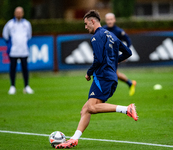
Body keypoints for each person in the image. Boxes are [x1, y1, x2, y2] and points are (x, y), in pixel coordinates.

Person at [55, 10, 138, 149]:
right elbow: (128, 52)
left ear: (92, 21)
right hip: (109, 77)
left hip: (103, 77)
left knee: (92, 107)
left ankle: (126, 109)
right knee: (85, 109)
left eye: (86, 24)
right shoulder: (111, 35)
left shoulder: (96, 37)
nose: (85, 27)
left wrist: (89, 72)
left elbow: (98, 59)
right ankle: (74, 139)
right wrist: (113, 61)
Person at [103, 13, 136, 96]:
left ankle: (105, 92)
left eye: (111, 19)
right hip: (104, 56)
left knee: (111, 73)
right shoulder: (102, 30)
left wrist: (125, 54)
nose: (110, 21)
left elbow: (128, 41)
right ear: (106, 20)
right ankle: (130, 83)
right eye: (108, 19)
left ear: (114, 20)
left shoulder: (119, 31)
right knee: (115, 74)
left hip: (114, 57)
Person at [2, 6, 34, 95]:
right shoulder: (10, 24)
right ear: (14, 13)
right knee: (13, 68)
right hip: (13, 51)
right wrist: (11, 45)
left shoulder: (27, 24)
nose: (19, 14)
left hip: (24, 50)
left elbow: (29, 36)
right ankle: (12, 86)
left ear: (23, 13)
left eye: (20, 12)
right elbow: (5, 36)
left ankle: (26, 86)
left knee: (25, 68)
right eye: (17, 12)